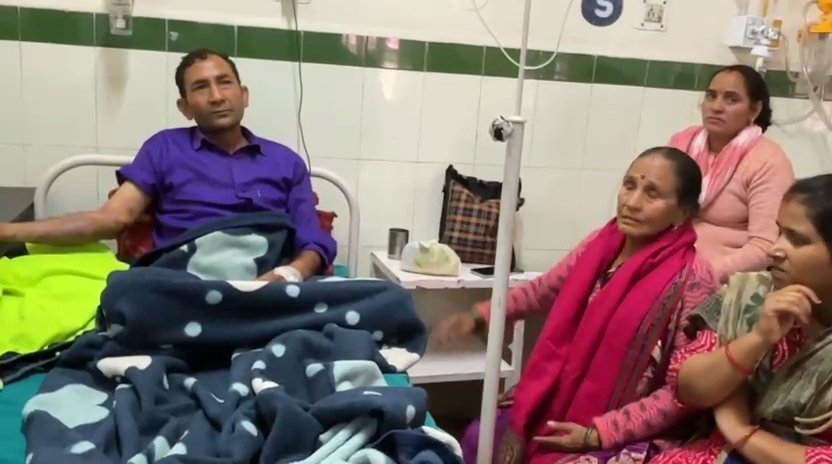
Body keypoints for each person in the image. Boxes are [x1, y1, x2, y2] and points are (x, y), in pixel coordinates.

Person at [434, 147, 720, 464]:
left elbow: (684, 391)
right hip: (562, 394)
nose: (632, 202)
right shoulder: (600, 245)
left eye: (652, 194)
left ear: (682, 212)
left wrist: (599, 433)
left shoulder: (695, 279)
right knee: (481, 436)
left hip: (629, 428)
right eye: (629, 185)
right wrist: (479, 315)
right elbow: (543, 290)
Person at [0, 49, 335, 282]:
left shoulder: (286, 162)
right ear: (185, 107)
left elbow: (312, 238)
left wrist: (290, 274)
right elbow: (112, 218)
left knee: (365, 298)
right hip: (183, 283)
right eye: (201, 87)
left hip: (271, 284)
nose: (216, 96)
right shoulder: (164, 148)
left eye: (225, 82)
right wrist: (7, 231)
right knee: (123, 292)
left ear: (243, 94)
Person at [651, 174, 832, 464]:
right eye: (779, 232)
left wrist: (741, 431)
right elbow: (687, 386)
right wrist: (758, 338)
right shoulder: (750, 294)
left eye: (797, 240)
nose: (775, 249)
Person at [669, 64, 794, 283]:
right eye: (711, 96)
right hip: (667, 260)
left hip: (723, 280)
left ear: (754, 110)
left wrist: (699, 277)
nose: (716, 107)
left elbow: (766, 246)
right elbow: (656, 208)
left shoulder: (768, 160)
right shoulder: (683, 143)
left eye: (731, 99)